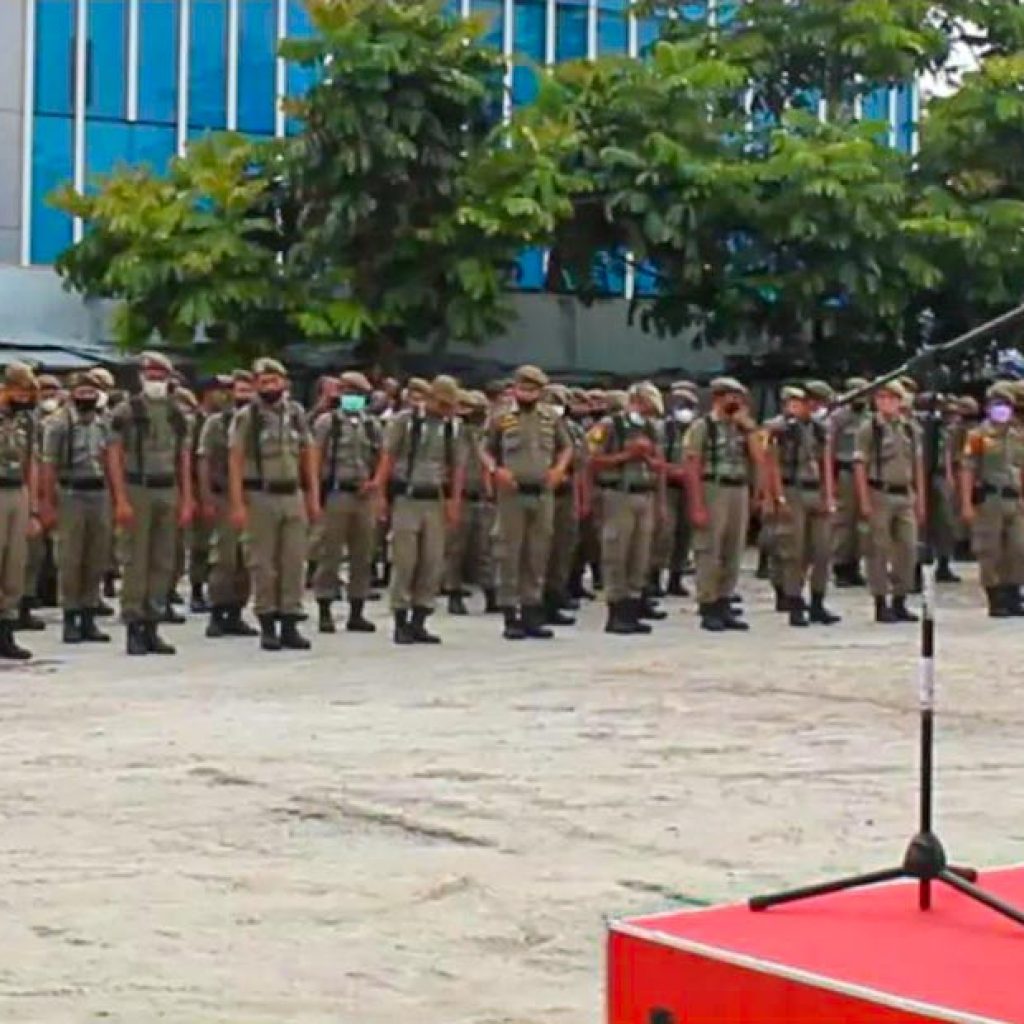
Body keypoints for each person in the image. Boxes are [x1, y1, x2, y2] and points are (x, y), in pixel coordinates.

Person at [229, 358, 319, 652]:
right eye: (263, 382)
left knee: (294, 562)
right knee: (263, 563)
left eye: (274, 381)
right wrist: (237, 503)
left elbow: (308, 454)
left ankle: (290, 621)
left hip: (291, 494)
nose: (270, 387)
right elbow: (236, 459)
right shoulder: (248, 417)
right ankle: (267, 623)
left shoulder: (295, 414)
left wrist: (313, 496)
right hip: (259, 495)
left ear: (285, 383)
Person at [108, 351, 194, 655]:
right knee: (135, 560)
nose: (156, 381)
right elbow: (114, 454)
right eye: (151, 375)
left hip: (167, 488)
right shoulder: (126, 411)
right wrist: (120, 499)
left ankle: (153, 624)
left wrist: (186, 497)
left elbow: (183, 456)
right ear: (141, 377)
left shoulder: (176, 412)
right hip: (137, 487)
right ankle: (133, 624)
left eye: (161, 376)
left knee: (163, 561)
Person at [482, 365, 572, 641]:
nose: (527, 393)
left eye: (532, 389)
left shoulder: (551, 418)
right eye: (523, 388)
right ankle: (511, 613)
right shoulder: (501, 417)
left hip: (543, 492)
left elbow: (566, 447)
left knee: (537, 552)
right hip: (512, 492)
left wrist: (559, 469)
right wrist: (496, 471)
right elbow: (485, 449)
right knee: (509, 552)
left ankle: (533, 609)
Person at [374, 375, 463, 645]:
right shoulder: (406, 422)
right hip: (407, 497)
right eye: (442, 403)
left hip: (435, 499)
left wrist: (454, 502)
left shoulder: (452, 428)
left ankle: (420, 619)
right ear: (431, 398)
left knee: (432, 562)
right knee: (405, 560)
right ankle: (400, 619)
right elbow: (387, 458)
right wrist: (380, 493)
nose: (446, 409)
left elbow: (456, 467)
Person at [38, 370, 113, 644]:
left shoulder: (104, 422)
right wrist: (46, 501)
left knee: (97, 556)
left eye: (91, 392)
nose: (87, 397)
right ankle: (71, 615)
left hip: (99, 491)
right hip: (70, 491)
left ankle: (89, 614)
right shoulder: (58, 424)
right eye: (82, 392)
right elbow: (48, 464)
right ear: (72, 394)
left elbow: (110, 459)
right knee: (70, 557)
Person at [683, 377, 761, 632]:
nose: (736, 401)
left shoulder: (742, 428)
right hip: (712, 486)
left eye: (739, 396)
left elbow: (760, 459)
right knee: (709, 548)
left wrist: (749, 429)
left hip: (738, 487)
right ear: (717, 397)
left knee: (733, 548)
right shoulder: (702, 427)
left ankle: (725, 600)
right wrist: (696, 504)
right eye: (731, 396)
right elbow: (692, 466)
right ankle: (708, 603)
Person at [589, 382, 666, 635]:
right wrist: (626, 455)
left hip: (645, 494)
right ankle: (616, 610)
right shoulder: (610, 426)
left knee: (640, 554)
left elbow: (660, 465)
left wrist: (647, 458)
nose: (648, 412)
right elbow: (592, 460)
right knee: (616, 552)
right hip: (618, 494)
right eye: (645, 405)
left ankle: (633, 606)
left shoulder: (651, 430)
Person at [764, 385, 840, 627]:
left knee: (822, 550)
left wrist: (828, 495)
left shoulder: (819, 429)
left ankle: (818, 602)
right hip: (792, 489)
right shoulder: (781, 429)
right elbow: (771, 463)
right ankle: (794, 602)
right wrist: (778, 498)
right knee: (793, 551)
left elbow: (825, 461)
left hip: (814, 489)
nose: (814, 408)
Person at [311, 370, 380, 634]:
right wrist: (316, 496)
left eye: (359, 394)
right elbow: (315, 459)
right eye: (349, 393)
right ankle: (325, 609)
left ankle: (357, 611)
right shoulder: (328, 423)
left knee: (363, 555)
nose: (354, 399)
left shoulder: (371, 425)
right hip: (335, 494)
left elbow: (378, 458)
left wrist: (374, 484)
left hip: (362, 495)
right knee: (330, 553)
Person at [853, 380, 924, 623]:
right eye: (881, 398)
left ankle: (900, 599)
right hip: (879, 492)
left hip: (904, 493)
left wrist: (920, 498)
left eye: (891, 398)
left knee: (908, 548)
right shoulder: (869, 428)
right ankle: (881, 601)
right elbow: (860, 465)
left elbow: (917, 465)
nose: (886, 402)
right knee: (878, 549)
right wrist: (863, 500)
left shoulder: (910, 429)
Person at [197, 370, 258, 639]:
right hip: (223, 496)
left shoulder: (260, 421)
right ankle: (217, 612)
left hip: (254, 495)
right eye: (239, 390)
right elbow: (204, 461)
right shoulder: (216, 423)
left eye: (248, 390)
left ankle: (236, 612)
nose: (244, 395)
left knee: (247, 558)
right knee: (223, 557)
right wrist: (207, 498)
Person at [960, 382, 1024, 617]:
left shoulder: (1018, 435)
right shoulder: (977, 436)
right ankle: (995, 596)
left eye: (1006, 404)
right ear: (988, 407)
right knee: (990, 550)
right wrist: (966, 503)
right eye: (997, 404)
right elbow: (967, 469)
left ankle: (1012, 592)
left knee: (1017, 548)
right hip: (989, 499)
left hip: (1014, 498)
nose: (1002, 409)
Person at [0, 363, 41, 660]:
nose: (23, 396)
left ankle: (6, 628)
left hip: (18, 490)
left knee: (15, 563)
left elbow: (32, 463)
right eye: (19, 389)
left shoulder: (26, 420)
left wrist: (34, 508)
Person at [444, 390, 497, 616]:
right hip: (461, 496)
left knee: (486, 549)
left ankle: (491, 593)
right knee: (456, 548)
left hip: (484, 497)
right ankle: (453, 593)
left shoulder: (486, 435)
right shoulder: (453, 435)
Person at [187, 377, 231, 612]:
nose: (224, 396)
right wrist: (196, 495)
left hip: (225, 488)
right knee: (201, 542)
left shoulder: (226, 421)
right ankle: (196, 589)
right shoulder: (196, 421)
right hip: (202, 486)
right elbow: (193, 457)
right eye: (219, 391)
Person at [542, 383, 582, 623]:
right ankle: (533, 603)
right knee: (540, 551)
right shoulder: (536, 428)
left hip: (565, 494)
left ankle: (554, 598)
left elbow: (581, 465)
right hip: (542, 493)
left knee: (562, 549)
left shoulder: (572, 431)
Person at [658, 381, 699, 597]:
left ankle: (676, 577)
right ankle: (653, 579)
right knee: (664, 533)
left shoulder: (698, 429)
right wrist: (672, 470)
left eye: (688, 404)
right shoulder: (662, 428)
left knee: (685, 534)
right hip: (666, 486)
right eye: (680, 403)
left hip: (689, 487)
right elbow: (655, 459)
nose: (684, 408)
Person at [830, 376, 870, 587]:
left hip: (864, 472)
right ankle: (841, 566)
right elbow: (830, 448)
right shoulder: (838, 417)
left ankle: (855, 564)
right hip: (844, 471)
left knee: (862, 524)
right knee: (844, 521)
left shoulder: (869, 417)